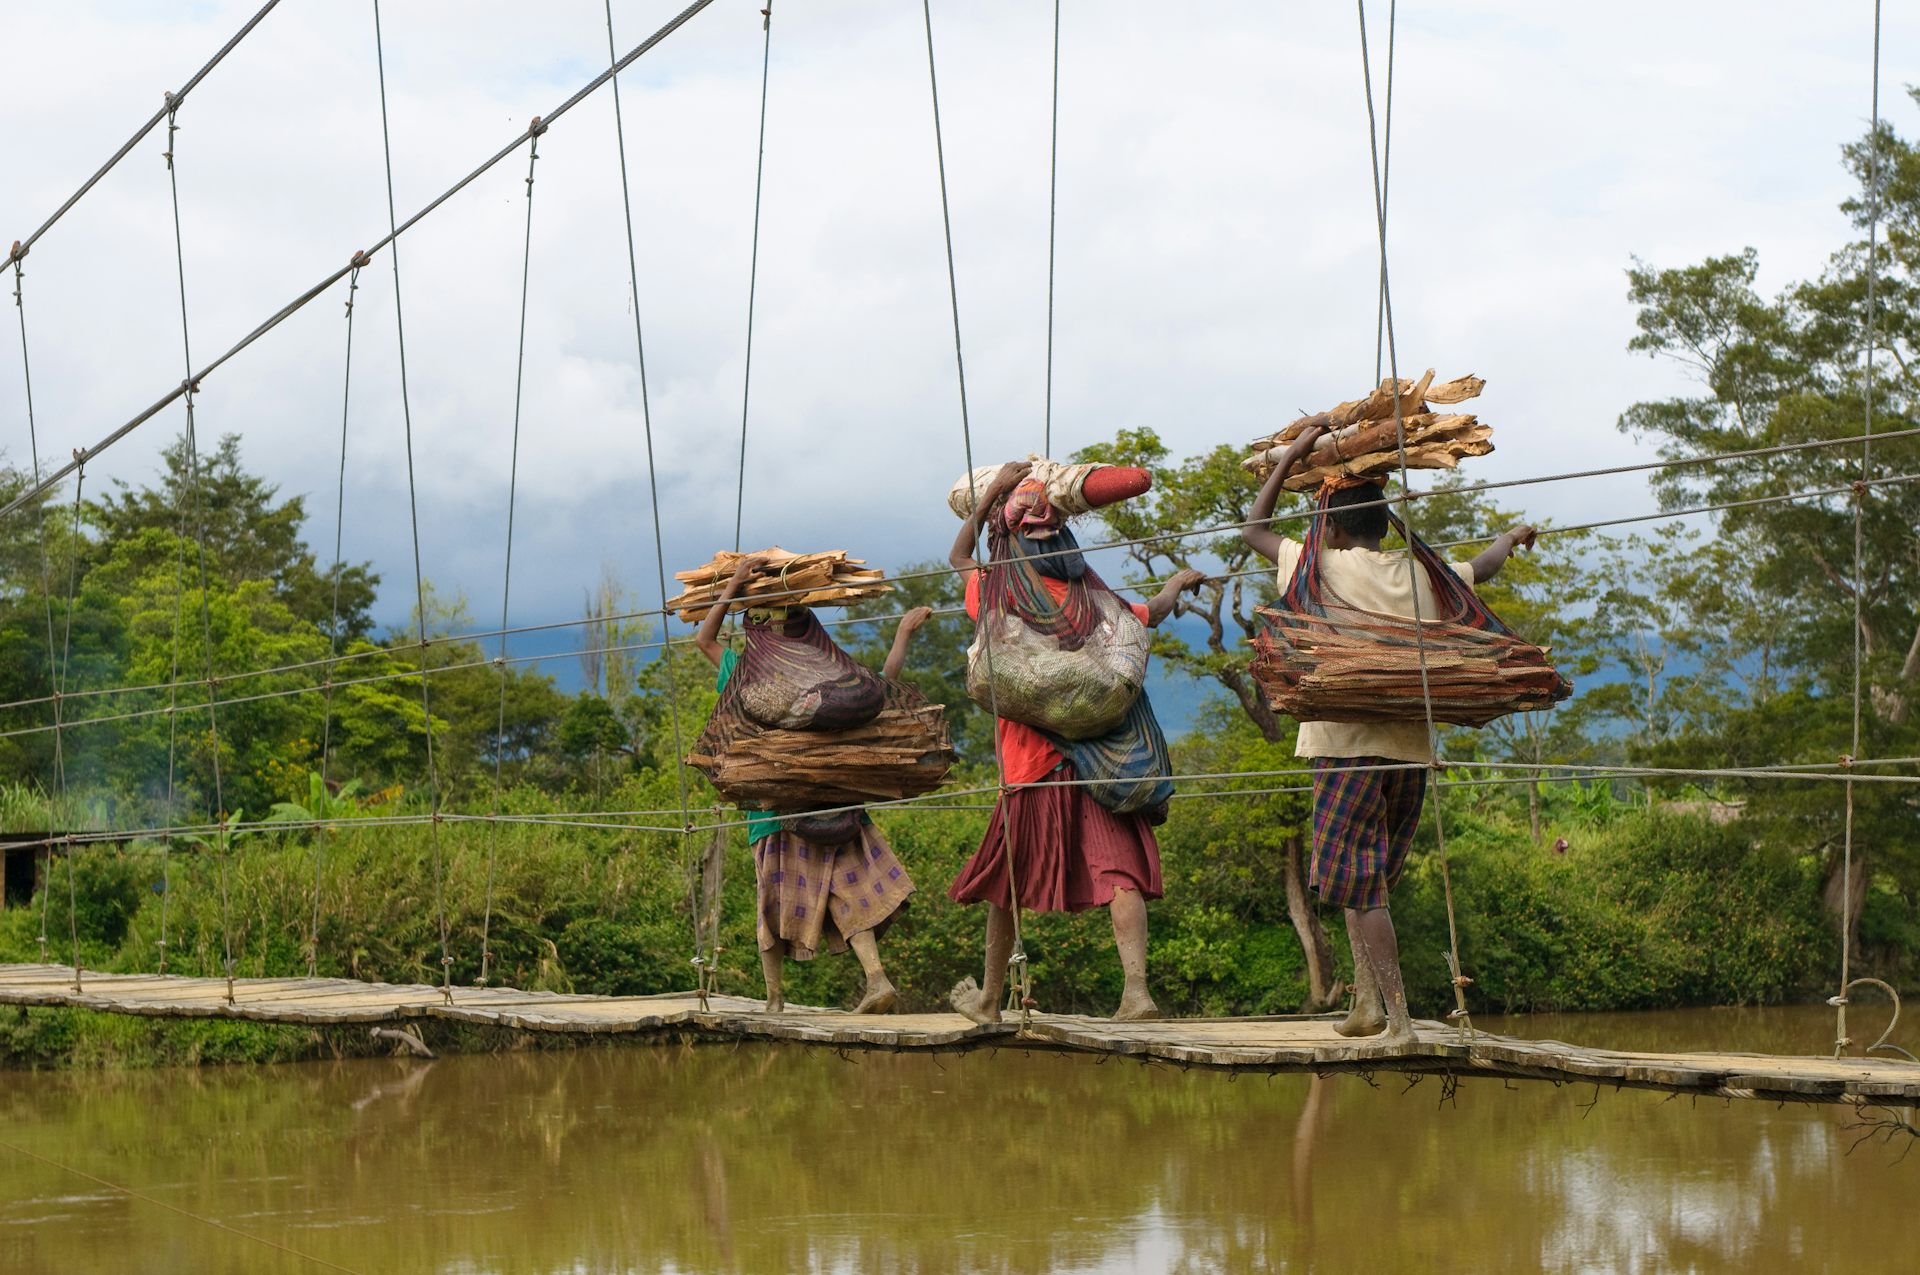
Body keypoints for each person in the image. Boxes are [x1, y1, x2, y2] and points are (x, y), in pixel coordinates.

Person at [1243, 420, 1534, 1047]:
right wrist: (1511, 536)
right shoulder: (1424, 574)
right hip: (1408, 752)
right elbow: (1483, 565)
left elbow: (1253, 530)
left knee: (1361, 886)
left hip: (1345, 750)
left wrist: (1292, 457)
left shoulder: (1318, 565)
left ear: (1336, 529)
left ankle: (1398, 1019)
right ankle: (1366, 1005)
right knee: (1363, 881)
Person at [945, 461, 1207, 1023]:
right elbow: (1152, 614)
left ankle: (990, 1000)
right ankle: (1136, 994)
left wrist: (993, 496)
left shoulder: (996, 591)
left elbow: (958, 559)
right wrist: (1177, 584)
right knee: (1120, 875)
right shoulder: (1100, 601)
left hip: (1031, 764)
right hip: (1102, 759)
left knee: (1005, 885)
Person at [693, 555, 933, 1015]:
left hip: (774, 818)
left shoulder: (745, 676)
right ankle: (876, 977)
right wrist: (902, 634)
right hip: (837, 811)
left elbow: (703, 638)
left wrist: (736, 585)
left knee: (773, 903)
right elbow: (884, 687)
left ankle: (775, 1000)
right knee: (850, 892)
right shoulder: (833, 681)